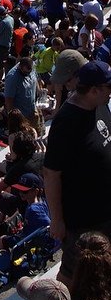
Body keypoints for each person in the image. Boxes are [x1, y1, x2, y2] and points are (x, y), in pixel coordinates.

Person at [44, 60, 111, 243]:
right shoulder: (66, 122)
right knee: (79, 270)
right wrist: (57, 221)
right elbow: (51, 174)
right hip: (85, 221)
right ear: (94, 90)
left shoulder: (100, 104)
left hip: (106, 211)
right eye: (109, 86)